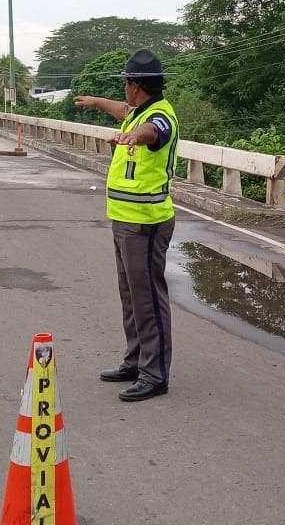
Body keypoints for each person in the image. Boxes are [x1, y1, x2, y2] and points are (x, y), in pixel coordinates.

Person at [73, 49, 179, 402]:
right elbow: (122, 111)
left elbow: (153, 131)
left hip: (145, 224)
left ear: (136, 85)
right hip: (125, 220)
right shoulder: (138, 111)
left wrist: (136, 137)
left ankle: (155, 374)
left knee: (147, 299)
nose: (124, 92)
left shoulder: (159, 116)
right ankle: (135, 362)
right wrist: (95, 101)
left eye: (126, 84)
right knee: (131, 297)